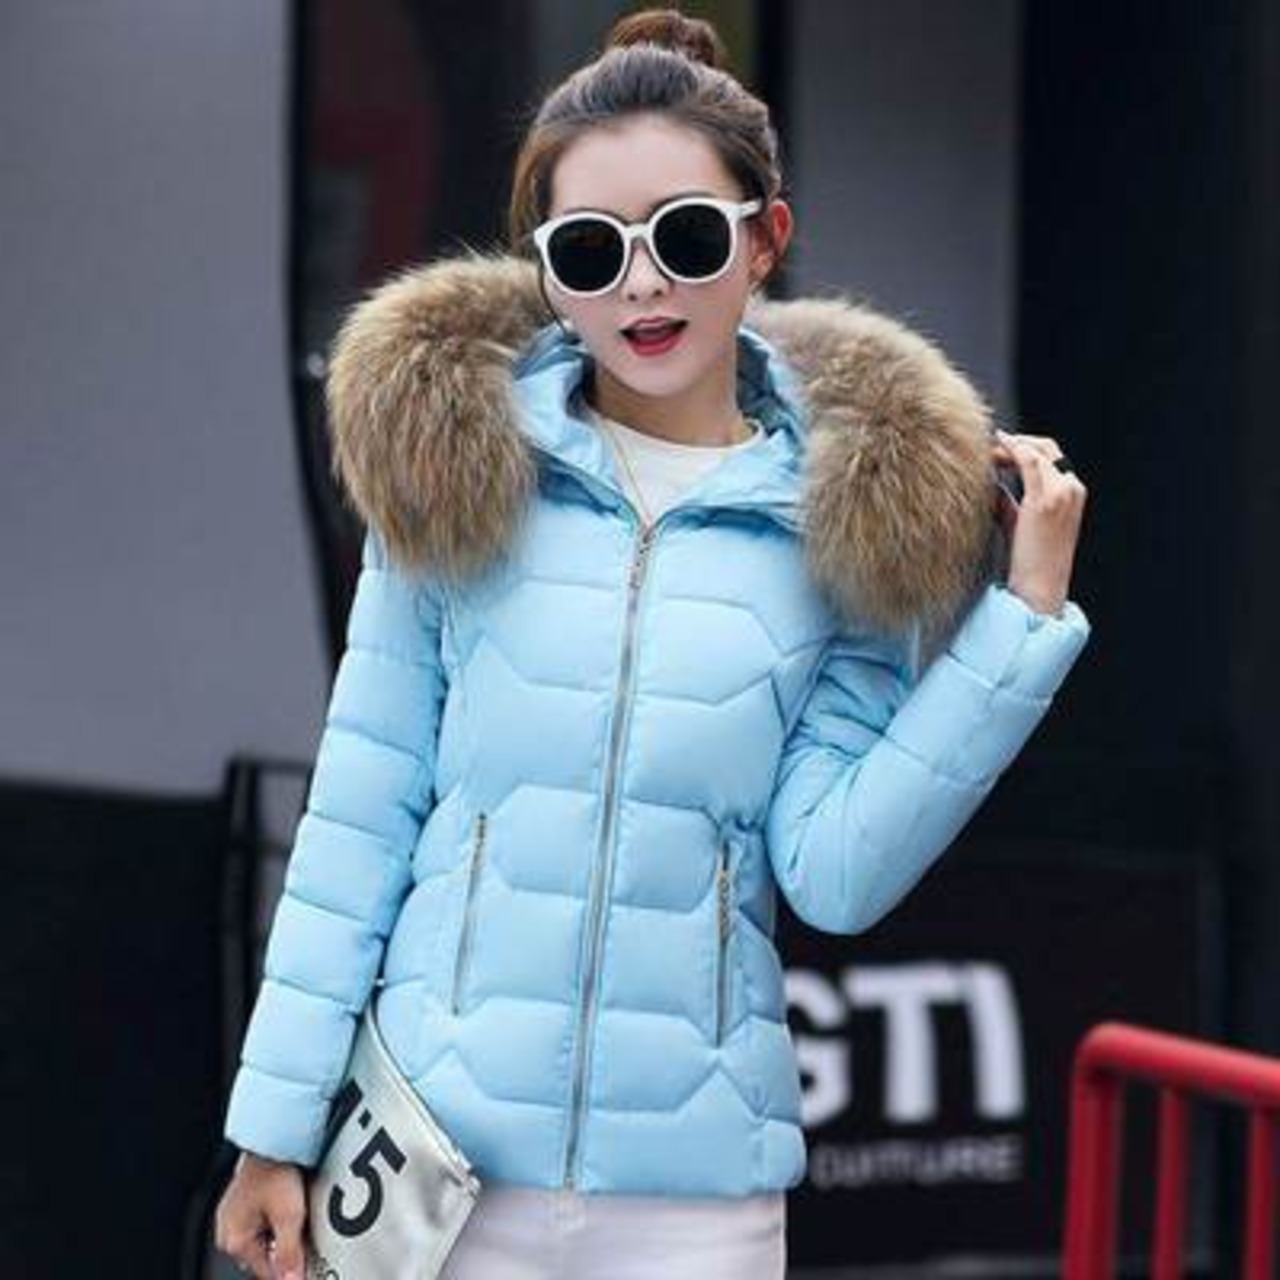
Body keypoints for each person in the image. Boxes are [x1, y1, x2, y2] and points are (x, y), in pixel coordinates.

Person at [214, 9, 1090, 1279]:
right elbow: (357, 823)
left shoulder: (845, 531)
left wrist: (1020, 625)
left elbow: (834, 872)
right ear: (548, 268)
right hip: (433, 1170)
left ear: (763, 240)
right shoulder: (457, 481)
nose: (640, 286)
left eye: (685, 238)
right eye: (589, 249)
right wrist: (272, 1128)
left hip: (694, 1208)